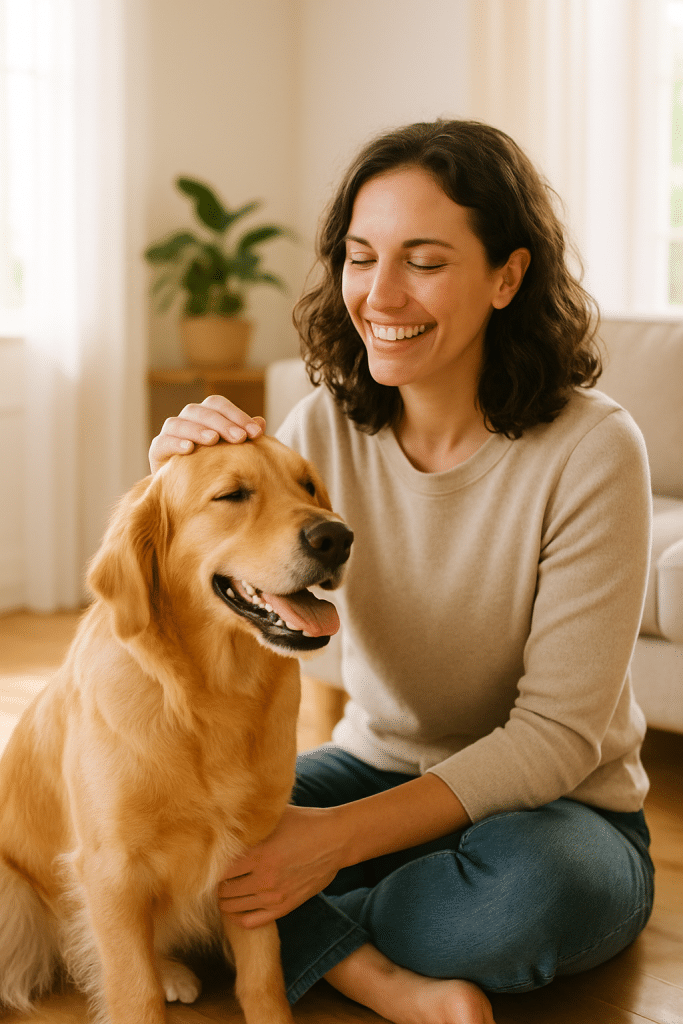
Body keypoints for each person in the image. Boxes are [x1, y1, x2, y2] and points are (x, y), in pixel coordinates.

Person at [149, 120, 655, 1024]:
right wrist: (173, 491)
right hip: (372, 769)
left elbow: (555, 737)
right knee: (163, 828)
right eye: (359, 257)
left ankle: (278, 928)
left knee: (518, 901)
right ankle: (369, 973)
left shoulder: (593, 449)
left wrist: (331, 844)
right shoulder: (317, 429)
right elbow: (209, 627)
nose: (380, 295)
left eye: (423, 261)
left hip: (559, 813)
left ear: (507, 277)